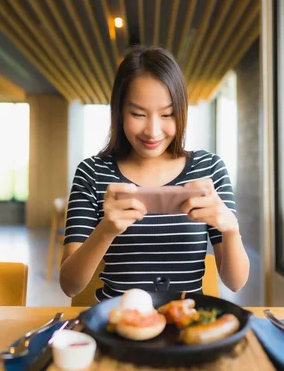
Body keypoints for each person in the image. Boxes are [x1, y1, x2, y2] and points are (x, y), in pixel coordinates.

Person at [59, 46, 249, 301]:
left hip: (186, 325)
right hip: (116, 326)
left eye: (167, 114)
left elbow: (235, 283)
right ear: (119, 112)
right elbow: (70, 286)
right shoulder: (92, 173)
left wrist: (230, 228)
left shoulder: (209, 169)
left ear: (181, 112)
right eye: (138, 114)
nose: (153, 131)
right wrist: (106, 230)